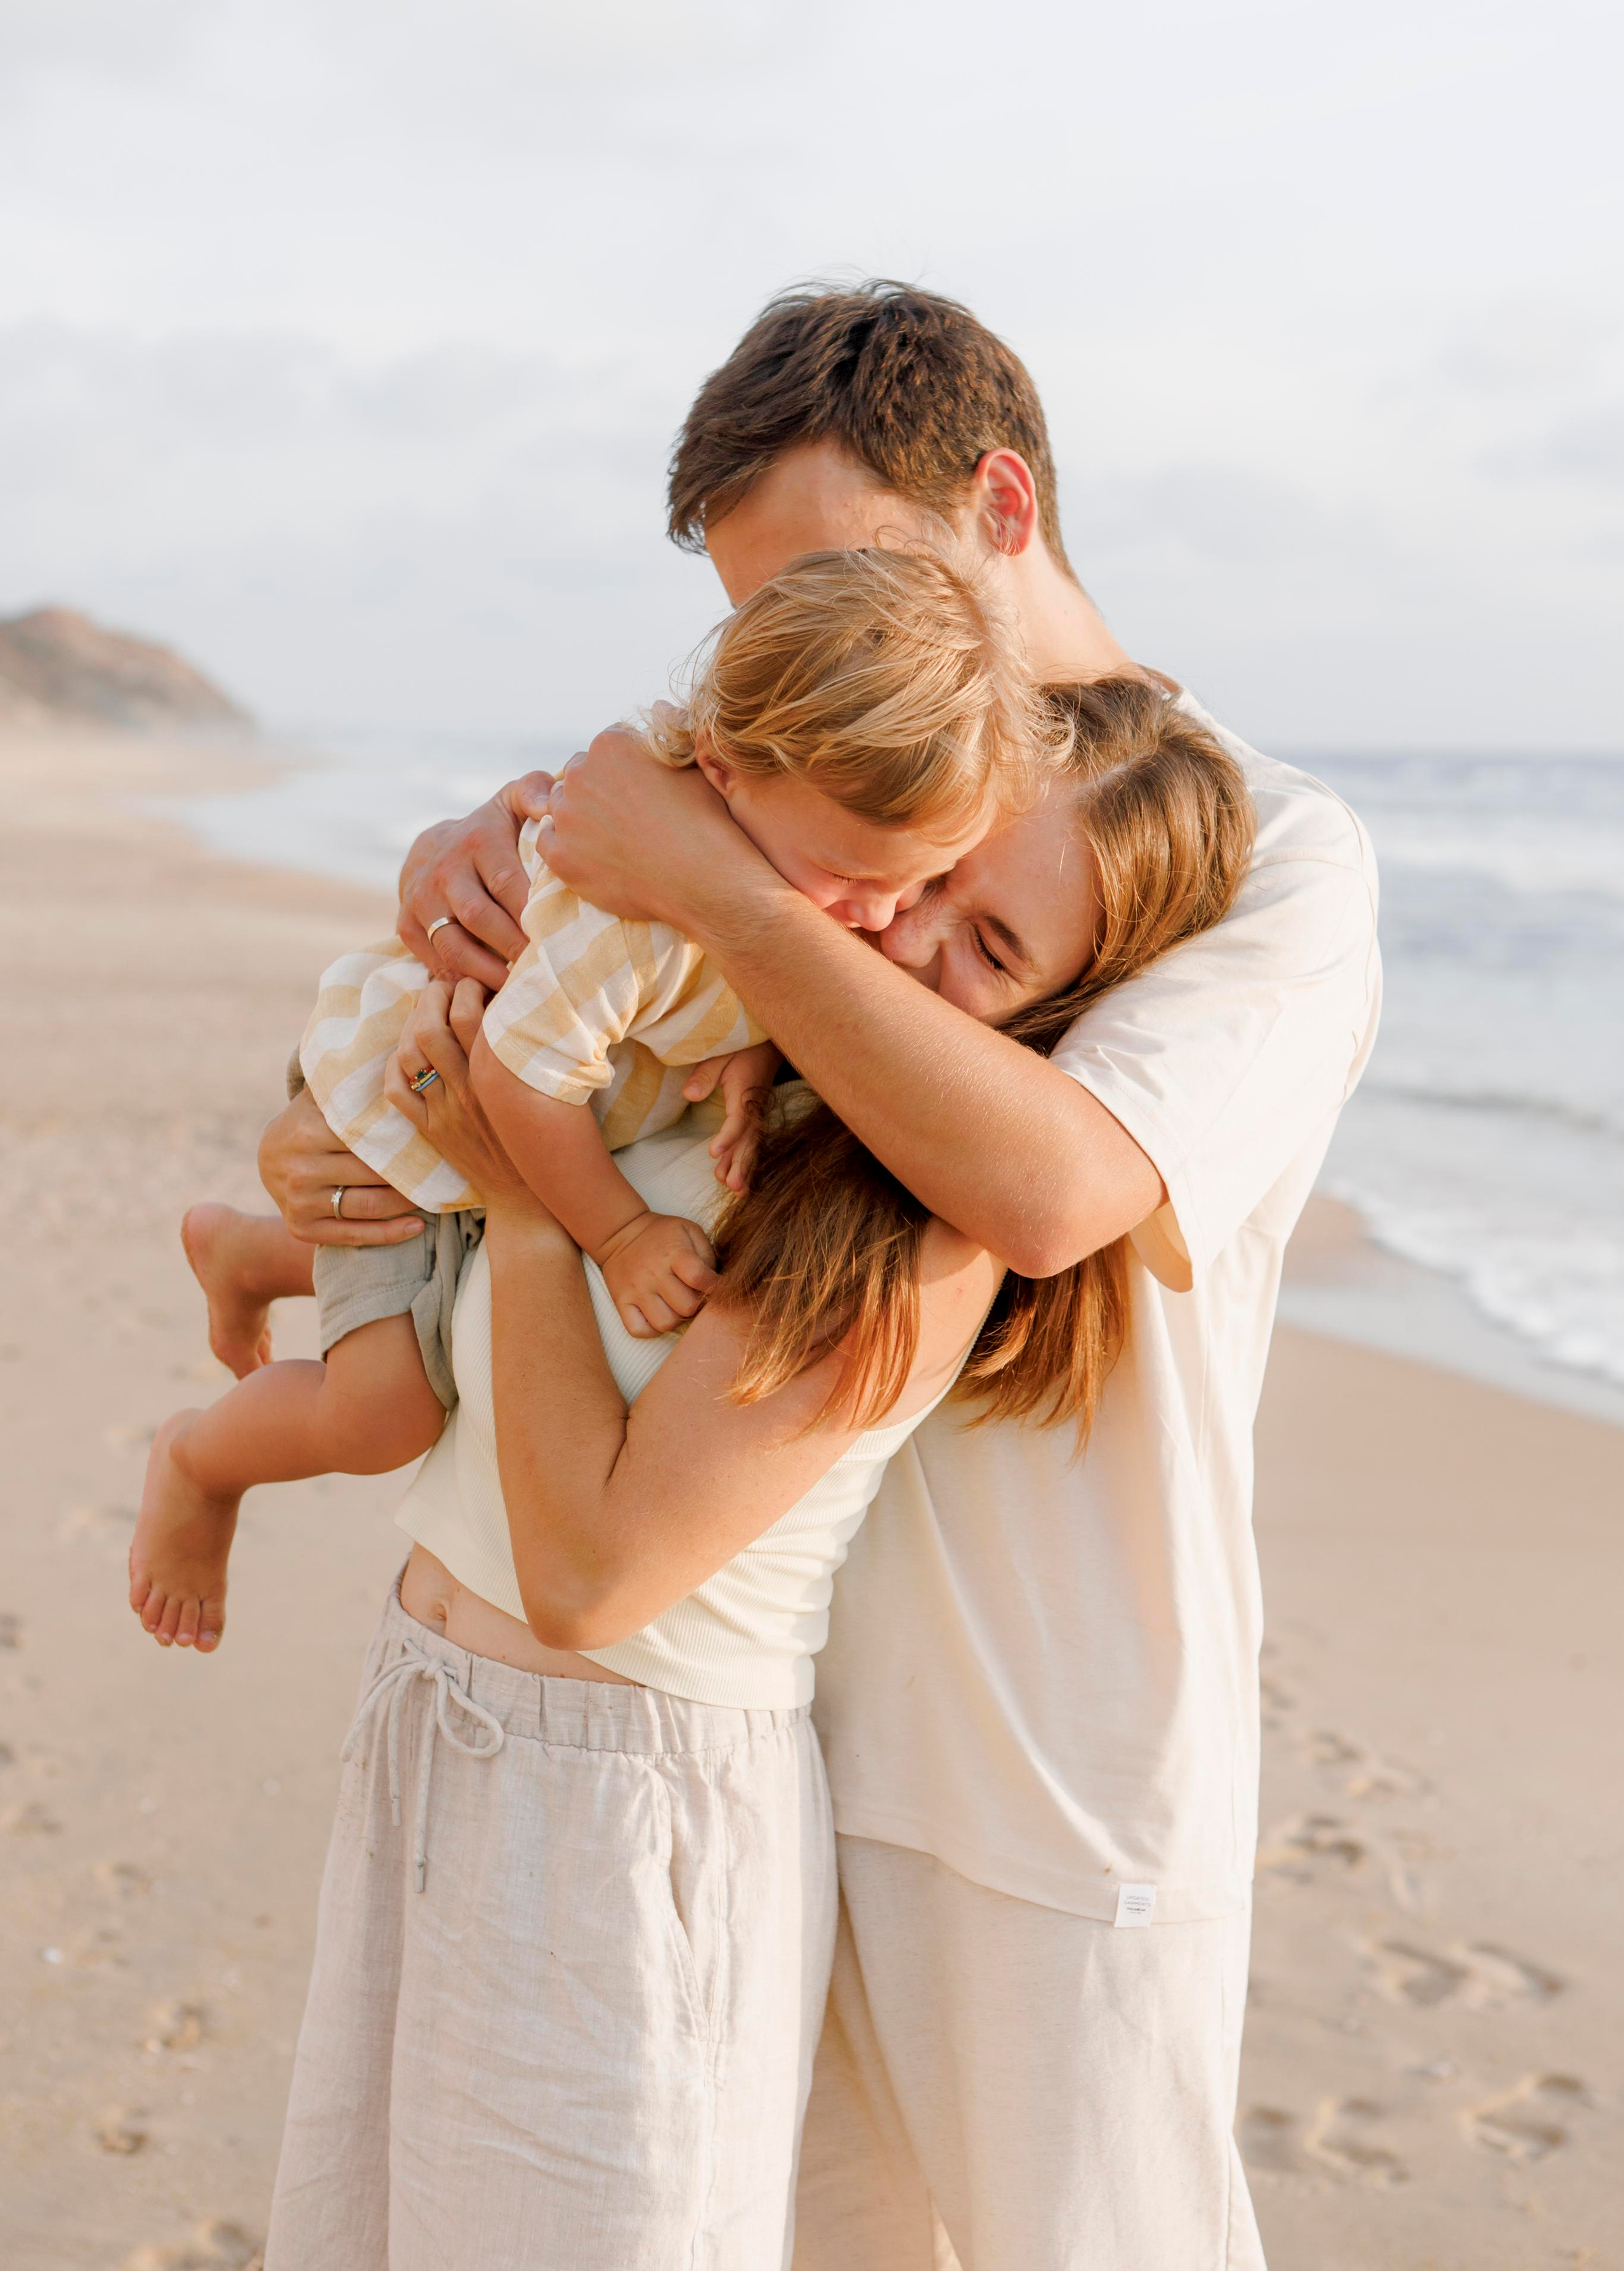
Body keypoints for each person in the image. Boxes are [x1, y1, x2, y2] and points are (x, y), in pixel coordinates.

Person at [283, 281, 1382, 2268]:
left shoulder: (1254, 852)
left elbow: (1050, 1192)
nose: (802, 654)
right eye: (750, 620)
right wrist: (460, 889)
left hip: (1051, 1756)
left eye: (839, 580)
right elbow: (571, 1020)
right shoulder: (835, 801)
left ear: (1002, 505)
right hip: (768, 1702)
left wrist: (699, 885)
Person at [258, 677, 1256, 2268]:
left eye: (993, 950)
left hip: (617, 1819)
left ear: (1060, 1014)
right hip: (433, 1728)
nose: (914, 945)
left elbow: (590, 1581)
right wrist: (317, 1152)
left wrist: (527, 1218)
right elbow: (424, 1046)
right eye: (932, 884)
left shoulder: (903, 1240)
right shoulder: (710, 1033)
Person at [129, 544, 1044, 1656]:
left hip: (506, 1116)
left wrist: (755, 1063)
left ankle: (250, 1252)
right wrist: (615, 1238)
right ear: (724, 769)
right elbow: (512, 1083)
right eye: (851, 877)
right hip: (407, 1103)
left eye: (920, 883)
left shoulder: (782, 851)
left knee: (428, 1259)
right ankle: (195, 1459)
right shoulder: (632, 918)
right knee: (384, 1414)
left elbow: (756, 991)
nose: (876, 917)